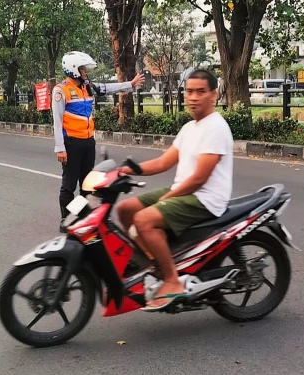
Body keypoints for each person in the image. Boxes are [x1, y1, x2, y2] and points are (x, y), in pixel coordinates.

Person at [116, 69, 233, 311]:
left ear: (213, 94)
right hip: (184, 190)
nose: (193, 97)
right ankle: (152, 260)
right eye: (189, 91)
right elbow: (163, 162)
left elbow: (200, 178)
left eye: (201, 92)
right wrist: (126, 171)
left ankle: (172, 280)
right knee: (125, 209)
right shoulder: (190, 128)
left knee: (144, 220)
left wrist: (167, 198)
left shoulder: (216, 127)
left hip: (204, 198)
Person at [53, 51, 145, 232]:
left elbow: (107, 88)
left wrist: (130, 85)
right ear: (73, 70)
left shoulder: (87, 87)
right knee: (69, 186)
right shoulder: (61, 90)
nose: (85, 72)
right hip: (71, 144)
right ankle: (66, 219)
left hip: (88, 143)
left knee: (87, 184)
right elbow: (57, 122)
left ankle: (81, 216)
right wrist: (60, 148)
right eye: (82, 69)